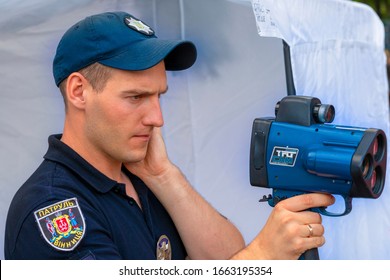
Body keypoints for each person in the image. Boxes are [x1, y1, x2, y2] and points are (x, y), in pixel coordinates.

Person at [4, 11, 334, 260]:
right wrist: (262, 257)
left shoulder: (142, 176)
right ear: (79, 92)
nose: (157, 119)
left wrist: (164, 175)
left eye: (158, 96)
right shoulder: (51, 208)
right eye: (135, 97)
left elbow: (225, 259)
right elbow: (245, 261)